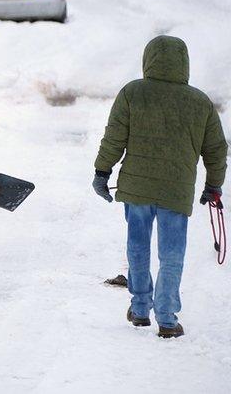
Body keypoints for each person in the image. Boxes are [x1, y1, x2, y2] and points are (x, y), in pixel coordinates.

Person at [92, 35, 227, 338]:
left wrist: (102, 171)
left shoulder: (132, 93)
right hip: (176, 192)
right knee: (172, 253)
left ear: (148, 59)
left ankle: (140, 309)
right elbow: (217, 150)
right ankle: (166, 318)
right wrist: (213, 185)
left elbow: (114, 137)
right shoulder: (200, 102)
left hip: (137, 189)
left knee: (137, 246)